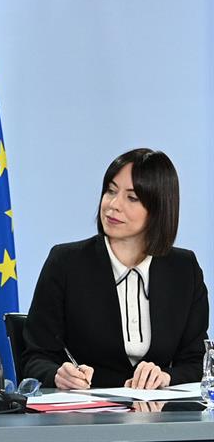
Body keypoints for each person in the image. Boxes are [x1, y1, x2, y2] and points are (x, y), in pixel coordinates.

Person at [23, 148, 209, 390]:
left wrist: (165, 377)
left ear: (159, 209)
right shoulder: (66, 262)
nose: (113, 205)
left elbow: (198, 361)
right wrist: (58, 375)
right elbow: (35, 357)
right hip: (85, 416)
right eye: (110, 191)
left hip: (159, 417)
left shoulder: (184, 269)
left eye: (132, 198)